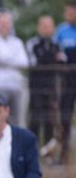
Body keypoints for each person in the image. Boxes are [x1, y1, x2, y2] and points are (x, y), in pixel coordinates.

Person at [25, 15, 67, 160]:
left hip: (52, 89)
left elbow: (62, 62)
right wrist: (50, 59)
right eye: (44, 26)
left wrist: (48, 59)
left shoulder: (57, 44)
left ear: (53, 28)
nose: (46, 29)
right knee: (35, 121)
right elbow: (34, 63)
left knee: (51, 122)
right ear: (39, 27)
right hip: (36, 88)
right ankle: (32, 154)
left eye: (49, 26)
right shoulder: (32, 43)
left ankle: (49, 155)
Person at [0, 9, 30, 126]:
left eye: (7, 23)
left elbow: (24, 62)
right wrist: (12, 58)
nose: (4, 26)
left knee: (16, 120)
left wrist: (2, 59)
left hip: (16, 86)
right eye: (1, 23)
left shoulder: (16, 42)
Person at [57, 3, 76, 164]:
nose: (67, 14)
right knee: (65, 117)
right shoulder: (61, 30)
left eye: (70, 12)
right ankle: (63, 155)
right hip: (68, 81)